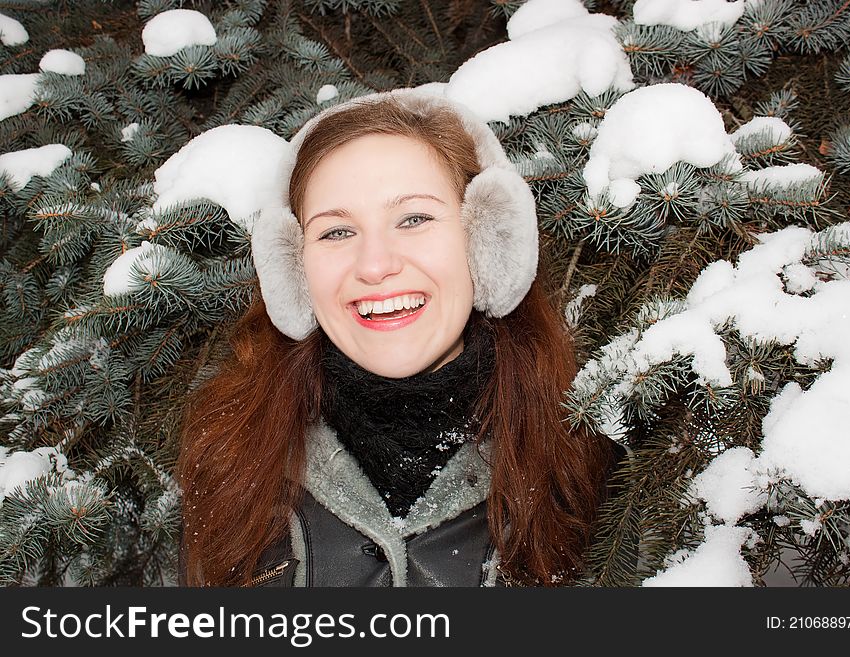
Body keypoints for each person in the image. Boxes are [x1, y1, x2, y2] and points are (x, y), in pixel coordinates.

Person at [176, 89, 622, 587]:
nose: (374, 266)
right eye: (336, 232)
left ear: (486, 239)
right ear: (294, 269)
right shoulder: (230, 463)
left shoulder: (594, 464)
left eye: (414, 219)